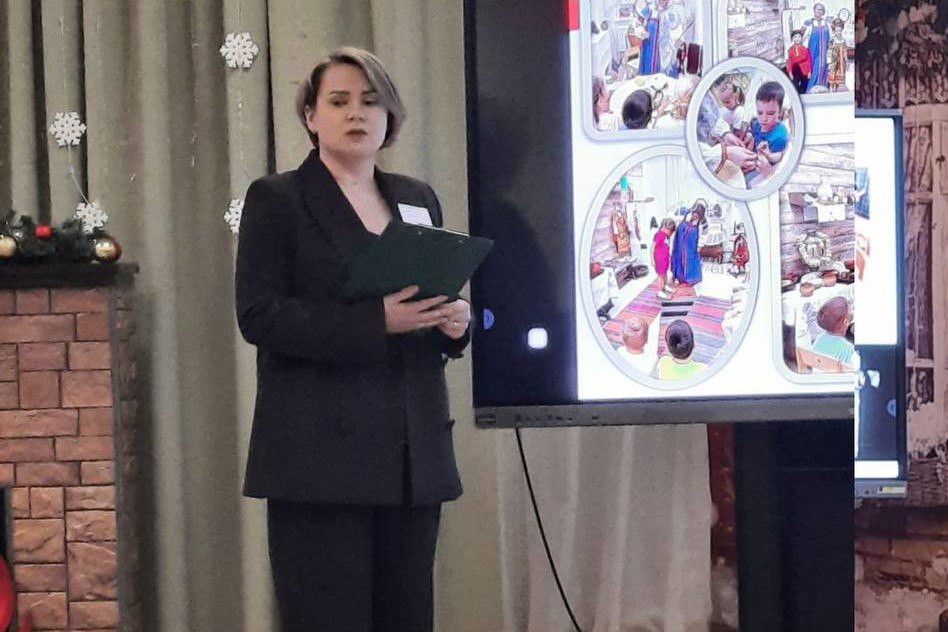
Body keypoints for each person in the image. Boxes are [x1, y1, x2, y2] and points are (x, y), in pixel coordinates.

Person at [235, 47, 471, 632]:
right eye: (338, 101)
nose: (356, 113)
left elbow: (426, 303)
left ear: (391, 116)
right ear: (311, 116)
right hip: (320, 463)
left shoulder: (416, 198)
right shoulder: (277, 199)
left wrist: (453, 322)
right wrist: (375, 321)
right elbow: (259, 317)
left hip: (412, 458)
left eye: (371, 101)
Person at [745, 81, 789, 186]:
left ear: (780, 112)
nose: (764, 118)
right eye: (760, 113)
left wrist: (768, 155)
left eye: (770, 113)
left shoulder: (780, 136)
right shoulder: (756, 123)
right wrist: (749, 135)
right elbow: (751, 127)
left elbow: (777, 165)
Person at [811, 296, 857, 368]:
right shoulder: (847, 349)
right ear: (845, 322)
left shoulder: (819, 338)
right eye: (849, 307)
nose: (852, 308)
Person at [671, 202, 704, 287]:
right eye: (694, 213)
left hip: (691, 244)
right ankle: (678, 277)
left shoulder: (703, 222)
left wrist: (700, 245)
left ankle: (691, 278)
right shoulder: (687, 215)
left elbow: (704, 234)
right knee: (679, 257)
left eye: (697, 215)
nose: (695, 215)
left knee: (690, 260)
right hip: (681, 240)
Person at [803, 2, 830, 93]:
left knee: (823, 68)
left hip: (824, 52)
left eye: (821, 10)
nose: (819, 11)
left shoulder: (827, 23)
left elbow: (832, 37)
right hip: (813, 52)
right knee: (814, 69)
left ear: (823, 12)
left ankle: (823, 89)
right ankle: (811, 90)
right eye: (817, 9)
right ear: (814, 10)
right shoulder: (808, 23)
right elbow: (801, 37)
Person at [653, 217, 676, 299]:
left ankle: (664, 286)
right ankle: (659, 291)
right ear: (665, 228)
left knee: (665, 273)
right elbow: (652, 247)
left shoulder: (665, 236)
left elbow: (665, 246)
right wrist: (652, 260)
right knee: (661, 275)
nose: (671, 234)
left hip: (665, 258)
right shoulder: (658, 235)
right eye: (671, 231)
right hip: (659, 259)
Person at [786, 28, 813, 95]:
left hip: (804, 70)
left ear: (801, 38)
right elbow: (789, 62)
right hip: (795, 70)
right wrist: (790, 72)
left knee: (804, 85)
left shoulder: (805, 49)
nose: (797, 39)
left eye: (799, 37)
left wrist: (809, 72)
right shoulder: (790, 50)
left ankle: (803, 94)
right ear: (792, 39)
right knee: (795, 86)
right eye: (795, 37)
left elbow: (809, 61)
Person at [827, 18, 848, 92]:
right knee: (833, 73)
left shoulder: (843, 40)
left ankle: (839, 87)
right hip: (834, 60)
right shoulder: (832, 40)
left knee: (841, 73)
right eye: (836, 31)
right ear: (834, 31)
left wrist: (846, 59)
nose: (838, 33)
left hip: (842, 61)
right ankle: (831, 88)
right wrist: (829, 60)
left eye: (840, 31)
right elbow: (829, 50)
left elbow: (845, 50)